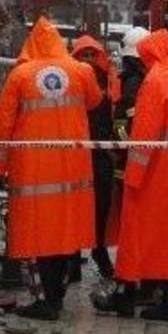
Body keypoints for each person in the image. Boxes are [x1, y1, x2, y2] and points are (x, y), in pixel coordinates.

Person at [0, 17, 102, 321]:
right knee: (65, 236)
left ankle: (44, 301)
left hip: (33, 173)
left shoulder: (20, 75)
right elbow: (95, 100)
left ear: (32, 42)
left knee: (36, 238)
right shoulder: (82, 71)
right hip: (73, 173)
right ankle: (57, 295)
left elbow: (2, 126)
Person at [96, 29, 168, 322]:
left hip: (154, 177)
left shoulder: (156, 83)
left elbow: (144, 136)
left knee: (135, 236)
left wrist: (133, 176)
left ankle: (126, 296)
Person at [71, 34, 122, 280]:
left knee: (100, 206)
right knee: (73, 207)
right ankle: (71, 258)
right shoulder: (71, 81)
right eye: (84, 55)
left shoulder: (109, 81)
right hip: (76, 153)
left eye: (92, 54)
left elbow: (118, 114)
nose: (89, 59)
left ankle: (98, 249)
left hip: (101, 153)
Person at [115, 27, 152, 136]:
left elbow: (122, 122)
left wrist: (121, 141)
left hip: (134, 139)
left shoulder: (133, 80)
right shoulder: (146, 77)